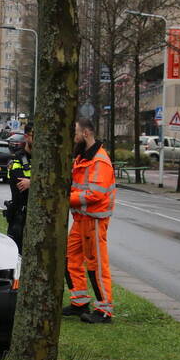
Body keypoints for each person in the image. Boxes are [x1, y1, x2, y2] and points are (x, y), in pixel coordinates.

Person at [63, 117, 115, 324]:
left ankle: (104, 310)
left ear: (85, 133)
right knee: (70, 259)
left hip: (93, 220)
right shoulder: (83, 157)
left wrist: (65, 200)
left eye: (75, 131)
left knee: (97, 266)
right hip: (82, 219)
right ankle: (80, 302)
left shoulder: (99, 161)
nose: (73, 135)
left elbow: (95, 194)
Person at [4, 123, 33, 251]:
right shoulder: (16, 159)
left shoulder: (45, 159)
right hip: (19, 217)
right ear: (26, 137)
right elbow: (20, 188)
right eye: (35, 135)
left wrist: (31, 183)